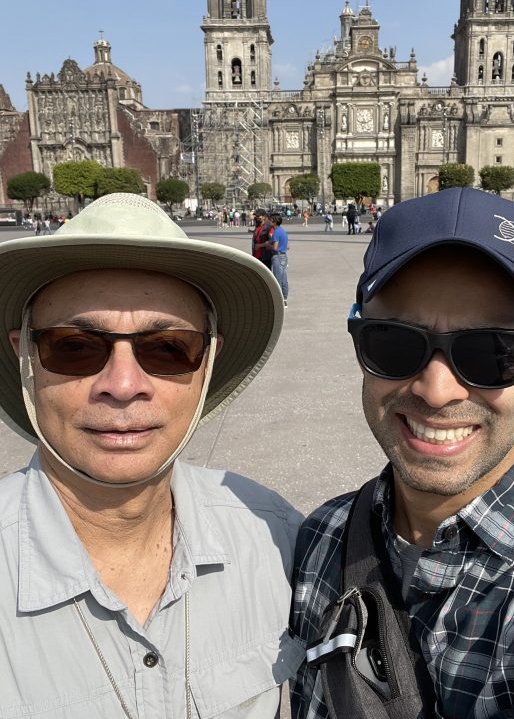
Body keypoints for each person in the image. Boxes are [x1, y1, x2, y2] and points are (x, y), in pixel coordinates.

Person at [291, 187, 514, 717]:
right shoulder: (322, 537)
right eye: (392, 342)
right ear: (358, 344)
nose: (437, 391)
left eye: (492, 353)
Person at [0, 193, 304, 717]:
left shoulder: (277, 539)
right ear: (24, 355)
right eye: (74, 346)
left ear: (207, 363)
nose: (122, 385)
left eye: (168, 348)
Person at [269, 212, 289, 306]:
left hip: (277, 256)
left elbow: (275, 247)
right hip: (284, 256)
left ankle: (280, 301)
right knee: (284, 279)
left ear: (274, 221)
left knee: (277, 279)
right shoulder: (283, 230)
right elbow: (287, 246)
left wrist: (267, 245)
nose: (269, 221)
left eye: (270, 220)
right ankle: (285, 299)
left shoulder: (276, 232)